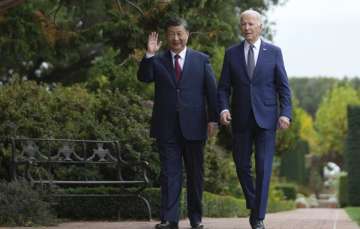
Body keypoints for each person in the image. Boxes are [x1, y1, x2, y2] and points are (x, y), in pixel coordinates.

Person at [137, 17, 218, 229]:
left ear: (187, 35)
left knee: (195, 175)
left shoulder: (202, 60)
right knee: (169, 174)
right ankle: (169, 220)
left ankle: (195, 219)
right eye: (171, 34)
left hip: (195, 126)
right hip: (167, 128)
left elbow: (212, 92)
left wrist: (213, 119)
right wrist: (149, 54)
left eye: (179, 33)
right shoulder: (157, 60)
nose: (176, 38)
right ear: (166, 36)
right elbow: (144, 77)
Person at [217, 9, 292, 229]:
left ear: (260, 26)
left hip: (267, 120)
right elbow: (223, 88)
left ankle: (258, 216)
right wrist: (222, 109)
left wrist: (285, 113)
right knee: (241, 165)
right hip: (240, 119)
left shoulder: (274, 52)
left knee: (264, 167)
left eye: (251, 24)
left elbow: (283, 88)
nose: (247, 28)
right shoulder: (231, 53)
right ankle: (253, 201)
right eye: (243, 24)